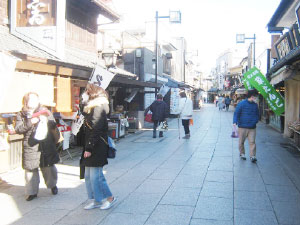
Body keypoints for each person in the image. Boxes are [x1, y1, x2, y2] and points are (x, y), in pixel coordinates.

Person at [15, 92, 59, 201]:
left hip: (46, 143)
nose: (34, 102)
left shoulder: (44, 111)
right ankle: (32, 192)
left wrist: (47, 120)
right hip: (30, 145)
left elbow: (53, 125)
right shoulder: (21, 114)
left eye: (36, 99)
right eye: (31, 100)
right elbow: (18, 129)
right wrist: (30, 122)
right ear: (26, 102)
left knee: (48, 167)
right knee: (30, 170)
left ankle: (52, 185)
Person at [80, 83, 116, 210]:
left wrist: (89, 148)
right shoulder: (93, 107)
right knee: (89, 175)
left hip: (97, 146)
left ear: (94, 94)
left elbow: (96, 129)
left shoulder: (99, 107)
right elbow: (89, 121)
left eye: (87, 92)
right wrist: (82, 104)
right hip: (92, 144)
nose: (85, 94)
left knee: (96, 175)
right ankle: (95, 200)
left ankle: (109, 197)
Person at [233, 89, 259, 162]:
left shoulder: (255, 105)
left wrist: (255, 121)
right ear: (252, 96)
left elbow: (257, 115)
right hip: (242, 127)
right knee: (241, 141)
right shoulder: (241, 104)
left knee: (252, 142)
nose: (256, 98)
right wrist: (235, 122)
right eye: (255, 96)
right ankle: (242, 153)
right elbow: (236, 113)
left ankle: (253, 156)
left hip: (252, 127)